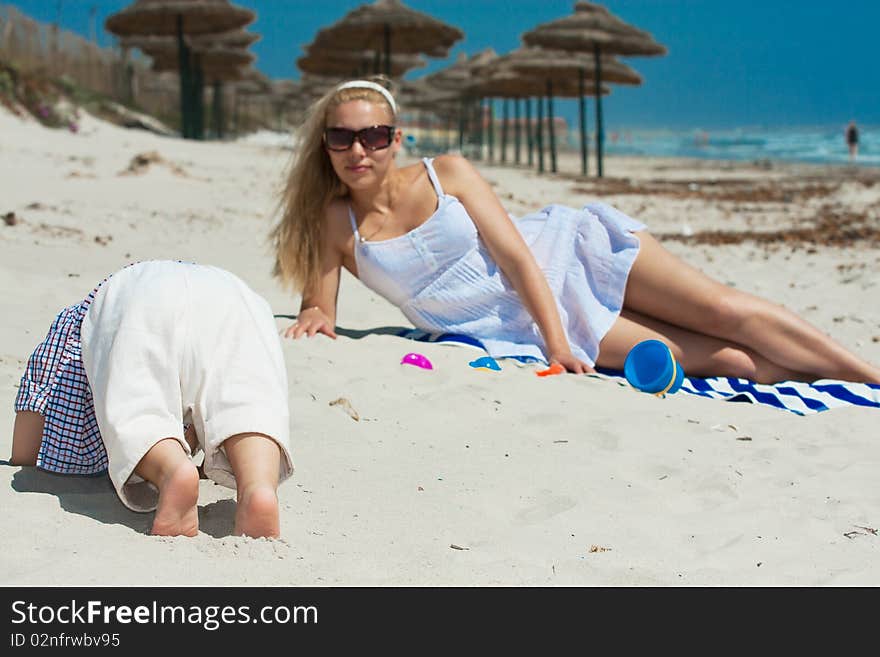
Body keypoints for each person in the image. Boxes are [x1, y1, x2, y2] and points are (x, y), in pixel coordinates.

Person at [270, 78, 880, 386]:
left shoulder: (446, 172)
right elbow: (319, 304)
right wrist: (316, 315)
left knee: (723, 311)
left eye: (374, 135)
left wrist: (561, 344)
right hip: (516, 327)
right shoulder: (334, 222)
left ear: (396, 138)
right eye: (342, 137)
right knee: (729, 363)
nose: (359, 149)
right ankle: (824, 373)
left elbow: (515, 257)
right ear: (325, 145)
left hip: (565, 257)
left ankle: (872, 378)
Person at [10, 260, 294, 538]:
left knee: (139, 411)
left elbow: (39, 393)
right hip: (235, 297)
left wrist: (23, 460)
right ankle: (258, 487)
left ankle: (172, 470)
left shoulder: (77, 318)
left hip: (141, 296)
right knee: (245, 407)